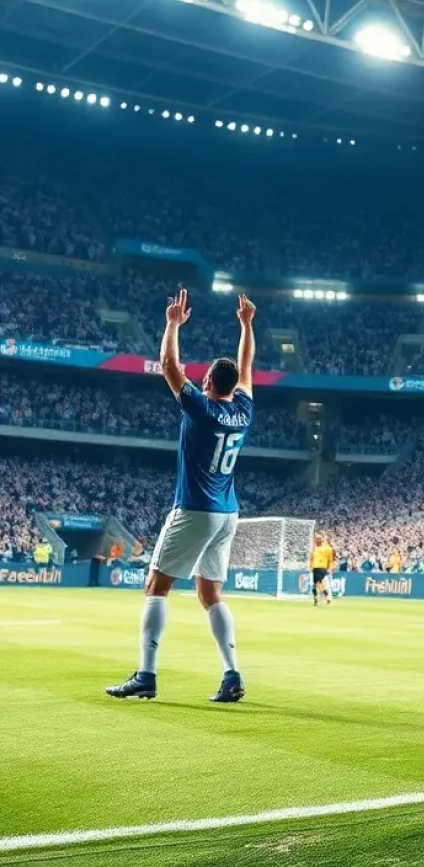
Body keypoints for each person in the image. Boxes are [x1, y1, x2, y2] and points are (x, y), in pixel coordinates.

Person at [106, 290, 256, 703]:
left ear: (207, 381)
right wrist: (246, 325)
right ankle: (231, 675)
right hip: (228, 513)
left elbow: (170, 366)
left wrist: (172, 323)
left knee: (155, 586)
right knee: (210, 594)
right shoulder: (244, 410)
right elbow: (246, 367)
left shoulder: (202, 409)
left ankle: (146, 675)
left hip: (194, 509)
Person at [310, 532, 335, 606]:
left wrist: (330, 568)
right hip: (318, 568)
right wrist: (311, 566)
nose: (317, 540)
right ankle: (317, 599)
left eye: (318, 539)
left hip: (319, 568)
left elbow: (331, 560)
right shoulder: (316, 548)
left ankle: (325, 596)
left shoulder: (327, 549)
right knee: (317, 584)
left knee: (318, 584)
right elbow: (311, 558)